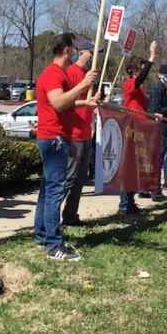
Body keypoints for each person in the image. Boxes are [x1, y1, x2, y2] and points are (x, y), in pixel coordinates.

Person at [33, 33, 99, 261]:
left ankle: (42, 234)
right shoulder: (52, 74)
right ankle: (54, 245)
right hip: (54, 139)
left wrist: (84, 101)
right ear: (67, 50)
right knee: (54, 191)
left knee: (47, 189)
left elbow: (64, 100)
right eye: (74, 49)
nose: (77, 53)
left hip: (55, 137)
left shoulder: (58, 73)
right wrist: (83, 84)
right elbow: (58, 103)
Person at [62, 39, 100, 227]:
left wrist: (93, 99)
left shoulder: (87, 75)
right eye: (91, 52)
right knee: (69, 178)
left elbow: (87, 102)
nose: (94, 57)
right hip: (73, 134)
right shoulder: (71, 73)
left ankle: (71, 215)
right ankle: (51, 219)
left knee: (80, 179)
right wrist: (85, 91)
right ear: (81, 52)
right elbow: (65, 102)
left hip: (86, 133)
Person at [119, 41, 159, 213]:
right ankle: (124, 204)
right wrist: (151, 57)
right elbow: (141, 78)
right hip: (132, 128)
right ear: (133, 70)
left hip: (141, 127)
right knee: (130, 166)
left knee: (136, 167)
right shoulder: (129, 83)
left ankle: (130, 201)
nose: (143, 72)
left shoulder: (140, 90)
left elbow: (143, 107)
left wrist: (152, 116)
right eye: (140, 68)